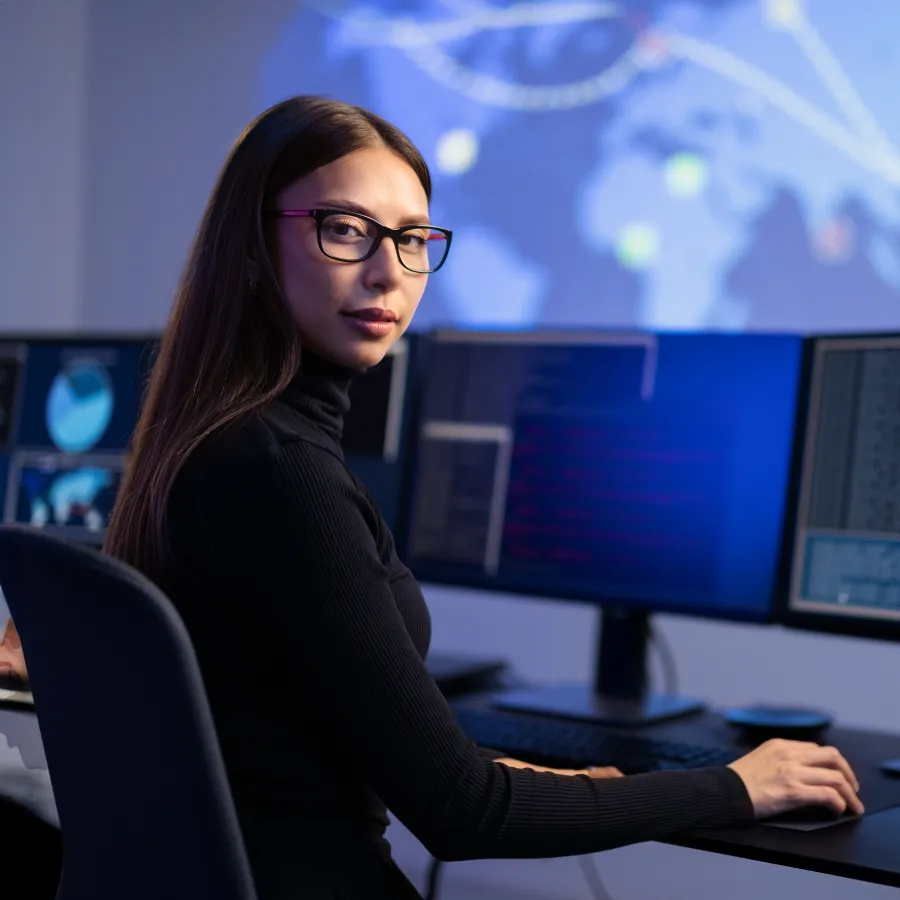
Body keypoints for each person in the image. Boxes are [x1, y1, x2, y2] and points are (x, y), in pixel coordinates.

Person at [103, 95, 863, 900]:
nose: (388, 271)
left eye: (412, 239)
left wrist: (503, 772)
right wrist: (740, 784)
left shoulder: (211, 440)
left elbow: (289, 736)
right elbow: (462, 816)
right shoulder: (283, 476)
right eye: (346, 229)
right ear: (253, 243)